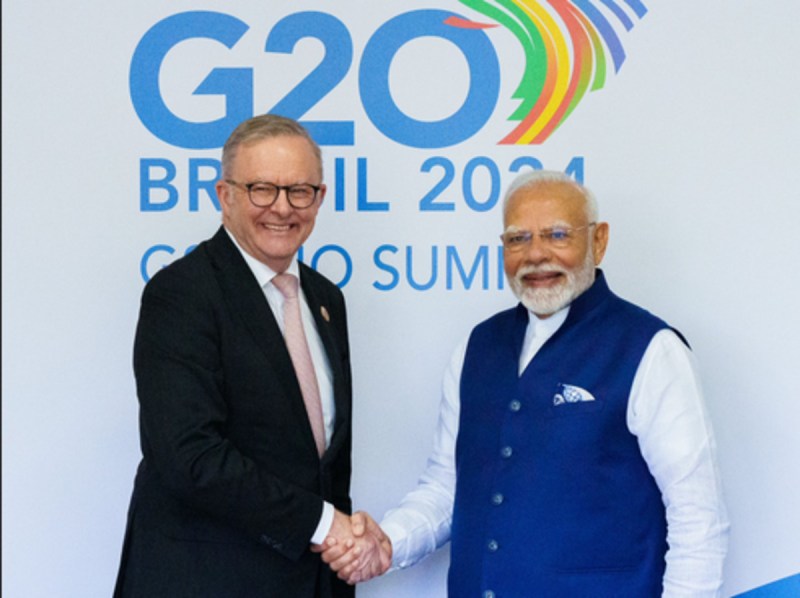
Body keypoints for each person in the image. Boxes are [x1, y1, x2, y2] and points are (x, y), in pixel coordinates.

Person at [321, 170, 730, 596]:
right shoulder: (476, 347)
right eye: (518, 239)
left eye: (556, 235)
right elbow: (448, 487)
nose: (535, 255)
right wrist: (389, 542)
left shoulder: (651, 350)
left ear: (599, 241)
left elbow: (698, 518)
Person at [114, 114, 385, 597]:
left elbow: (322, 463)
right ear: (226, 196)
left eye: (299, 190)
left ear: (320, 198)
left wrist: (344, 545)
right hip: (204, 581)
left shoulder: (326, 299)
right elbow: (189, 457)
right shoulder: (182, 293)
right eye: (262, 189)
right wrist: (327, 526)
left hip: (312, 582)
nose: (282, 208)